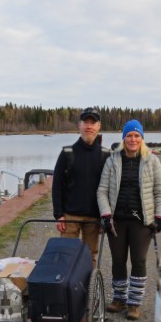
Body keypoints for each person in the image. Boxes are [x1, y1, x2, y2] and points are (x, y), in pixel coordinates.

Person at [97, 119, 161, 320]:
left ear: (142, 138)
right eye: (129, 135)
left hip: (141, 221)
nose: (133, 139)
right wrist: (106, 214)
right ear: (123, 138)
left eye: (137, 135)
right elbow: (102, 190)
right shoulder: (112, 160)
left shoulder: (151, 161)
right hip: (116, 220)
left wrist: (160, 216)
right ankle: (119, 299)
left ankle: (134, 303)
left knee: (139, 260)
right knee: (118, 260)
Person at [52, 107, 110, 267]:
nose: (89, 126)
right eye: (86, 122)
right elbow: (57, 185)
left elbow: (111, 188)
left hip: (94, 217)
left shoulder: (106, 155)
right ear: (79, 125)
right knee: (66, 257)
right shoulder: (67, 153)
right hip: (69, 217)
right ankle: (65, 289)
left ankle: (88, 291)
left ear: (99, 126)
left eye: (93, 122)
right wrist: (58, 214)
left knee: (90, 257)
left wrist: (106, 217)